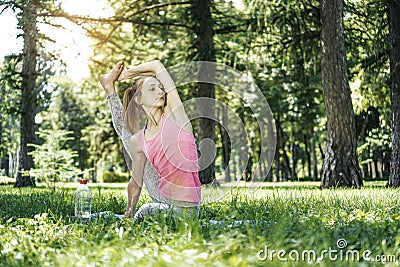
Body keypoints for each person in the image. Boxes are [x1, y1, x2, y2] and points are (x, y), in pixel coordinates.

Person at [100, 60, 201, 220]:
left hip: (186, 210)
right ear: (138, 99)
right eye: (152, 88)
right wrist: (128, 214)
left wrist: (128, 73)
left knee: (146, 210)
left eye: (161, 88)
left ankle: (109, 87)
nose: (160, 91)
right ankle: (109, 88)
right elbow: (135, 183)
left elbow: (157, 66)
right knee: (130, 138)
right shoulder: (139, 140)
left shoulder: (176, 116)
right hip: (162, 199)